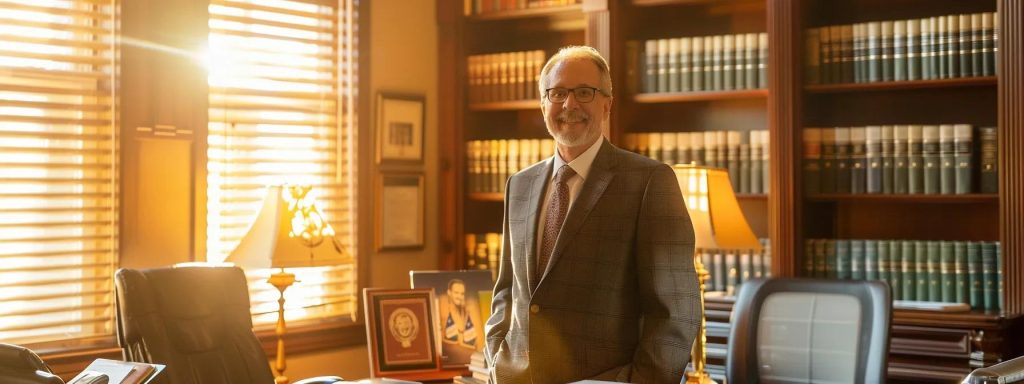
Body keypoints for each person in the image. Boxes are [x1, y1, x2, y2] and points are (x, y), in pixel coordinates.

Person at [484, 45, 701, 384]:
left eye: (584, 92)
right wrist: (497, 357)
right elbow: (506, 291)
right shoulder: (520, 185)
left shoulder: (648, 181)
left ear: (606, 105)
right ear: (543, 105)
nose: (569, 104)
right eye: (557, 93)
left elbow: (675, 313)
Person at [438, 278, 483, 365]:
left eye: (462, 294)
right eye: (456, 293)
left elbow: (477, 340)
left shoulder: (466, 311)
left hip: (471, 363)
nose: (459, 296)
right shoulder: (442, 307)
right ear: (449, 292)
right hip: (449, 362)